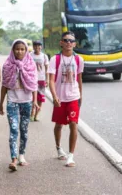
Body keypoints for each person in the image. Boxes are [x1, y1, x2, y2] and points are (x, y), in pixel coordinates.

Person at [0, 39, 39, 171]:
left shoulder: (31, 64)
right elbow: (4, 85)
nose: (20, 51)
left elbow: (33, 85)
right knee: (14, 130)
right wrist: (0, 103)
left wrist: (35, 102)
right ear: (12, 50)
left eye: (22, 49)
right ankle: (13, 159)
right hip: (12, 102)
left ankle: (22, 155)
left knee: (24, 131)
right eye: (17, 49)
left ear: (26, 50)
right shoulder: (7, 65)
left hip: (26, 103)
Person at [48, 31, 84, 167]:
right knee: (59, 125)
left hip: (73, 96)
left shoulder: (79, 59)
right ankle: (58, 148)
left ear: (74, 44)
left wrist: (81, 95)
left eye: (71, 41)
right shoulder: (55, 59)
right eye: (66, 40)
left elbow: (79, 78)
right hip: (60, 98)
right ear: (61, 43)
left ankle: (71, 156)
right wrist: (54, 96)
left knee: (73, 124)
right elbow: (50, 80)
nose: (68, 42)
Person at [30, 40, 49, 121]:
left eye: (39, 46)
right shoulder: (30, 55)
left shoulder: (44, 56)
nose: (37, 47)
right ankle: (32, 113)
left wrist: (47, 79)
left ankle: (36, 115)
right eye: (35, 45)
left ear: (41, 47)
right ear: (33, 47)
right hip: (32, 79)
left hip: (41, 79)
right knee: (31, 98)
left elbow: (47, 69)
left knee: (40, 99)